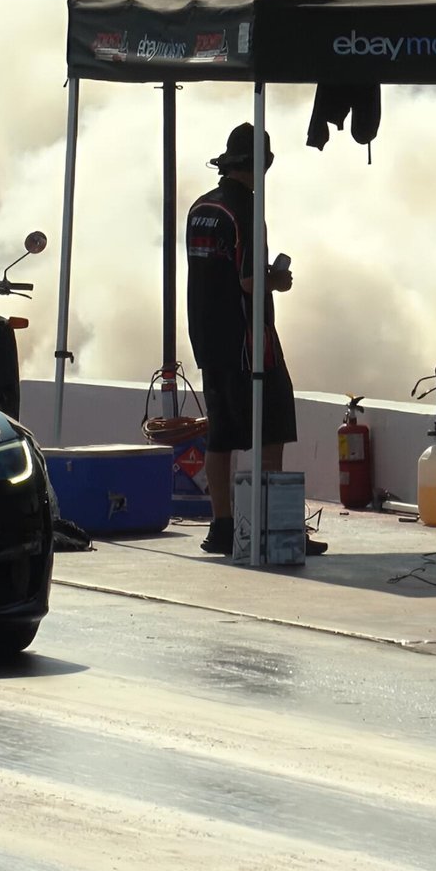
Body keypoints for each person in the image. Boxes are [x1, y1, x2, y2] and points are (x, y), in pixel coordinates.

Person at [185, 122, 321, 558]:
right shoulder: (246, 209)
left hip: (208, 342)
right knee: (272, 426)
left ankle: (222, 527)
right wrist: (276, 280)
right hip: (248, 343)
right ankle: (271, 524)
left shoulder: (200, 207)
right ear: (261, 165)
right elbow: (248, 281)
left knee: (221, 436)